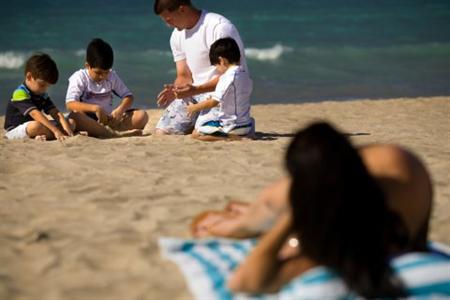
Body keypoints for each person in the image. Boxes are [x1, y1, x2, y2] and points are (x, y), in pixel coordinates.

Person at [226, 122, 449, 298]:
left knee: (256, 220)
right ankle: (240, 220)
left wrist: (295, 214)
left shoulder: (339, 237)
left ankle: (237, 223)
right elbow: (419, 241)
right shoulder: (401, 162)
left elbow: (245, 281)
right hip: (403, 211)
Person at [191, 139, 433, 254]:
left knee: (264, 221)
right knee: (259, 218)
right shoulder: (407, 169)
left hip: (356, 187)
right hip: (387, 174)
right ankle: (238, 216)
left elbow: (252, 278)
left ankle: (235, 217)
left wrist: (213, 230)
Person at [153, 0, 252, 136]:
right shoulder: (176, 36)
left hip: (221, 95)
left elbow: (232, 74)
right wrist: (178, 90)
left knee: (202, 133)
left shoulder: (219, 27)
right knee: (163, 132)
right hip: (194, 94)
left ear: (182, 9)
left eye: (169, 20)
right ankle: (197, 121)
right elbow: (183, 75)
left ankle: (243, 125)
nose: (168, 25)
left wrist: (195, 89)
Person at [66, 38, 148, 138]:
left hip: (107, 121)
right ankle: (109, 133)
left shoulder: (111, 76)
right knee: (75, 116)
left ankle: (105, 131)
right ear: (88, 66)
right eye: (98, 73)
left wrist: (120, 110)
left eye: (106, 72)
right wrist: (95, 108)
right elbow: (70, 104)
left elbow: (128, 96)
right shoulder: (79, 77)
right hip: (86, 120)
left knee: (142, 116)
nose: (103, 77)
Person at [187, 37, 254, 141]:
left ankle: (232, 138)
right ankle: (245, 133)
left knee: (196, 133)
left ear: (221, 60)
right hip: (246, 124)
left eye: (216, 66)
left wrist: (194, 107)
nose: (217, 69)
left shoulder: (226, 77)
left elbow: (214, 102)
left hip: (231, 126)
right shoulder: (245, 75)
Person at [4, 53, 75, 141]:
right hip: (15, 130)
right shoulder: (19, 93)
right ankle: (53, 134)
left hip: (36, 125)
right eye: (42, 85)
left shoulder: (42, 94)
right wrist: (56, 130)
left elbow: (55, 112)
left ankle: (48, 134)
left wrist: (66, 126)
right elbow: (35, 114)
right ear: (29, 76)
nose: (45, 89)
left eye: (47, 86)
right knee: (36, 126)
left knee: (70, 123)